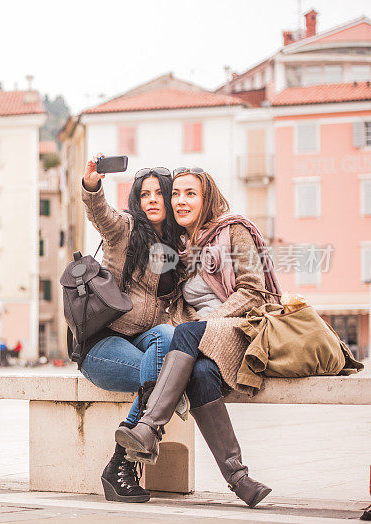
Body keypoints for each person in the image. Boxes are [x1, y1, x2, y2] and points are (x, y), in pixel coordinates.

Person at [115, 167, 281, 508]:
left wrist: (212, 322)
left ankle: (148, 427)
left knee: (185, 333)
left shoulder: (235, 231)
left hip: (240, 329)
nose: (180, 200)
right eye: (175, 193)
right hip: (203, 344)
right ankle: (239, 479)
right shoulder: (182, 249)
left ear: (207, 198)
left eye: (190, 193)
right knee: (200, 374)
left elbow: (254, 290)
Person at [80, 154, 184, 503]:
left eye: (159, 193)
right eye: (144, 194)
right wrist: (93, 183)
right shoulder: (123, 230)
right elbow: (100, 214)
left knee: (170, 337)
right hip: (102, 343)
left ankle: (121, 458)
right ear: (137, 201)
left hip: (147, 339)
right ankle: (123, 461)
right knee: (167, 379)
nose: (152, 199)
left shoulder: (176, 248)